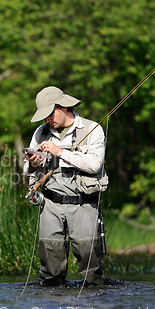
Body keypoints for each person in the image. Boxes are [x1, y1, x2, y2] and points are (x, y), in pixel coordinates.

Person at [23, 86, 106, 286]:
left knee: (91, 271)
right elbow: (29, 169)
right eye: (44, 116)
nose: (47, 120)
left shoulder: (93, 129)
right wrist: (34, 162)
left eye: (49, 114)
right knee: (50, 272)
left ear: (62, 107)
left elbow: (95, 164)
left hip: (83, 204)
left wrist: (60, 152)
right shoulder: (41, 132)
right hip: (50, 204)